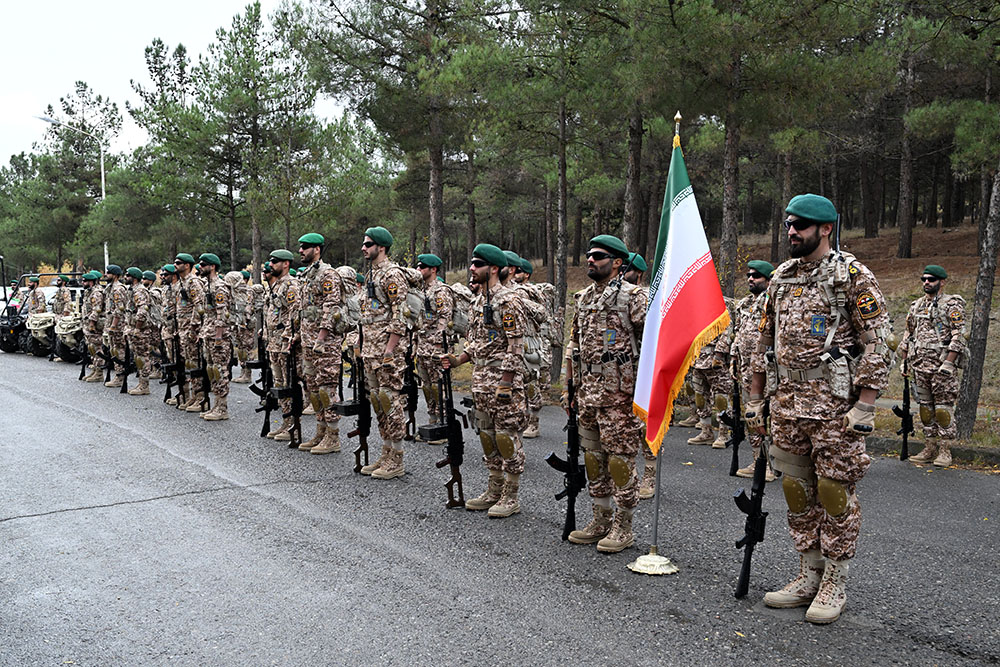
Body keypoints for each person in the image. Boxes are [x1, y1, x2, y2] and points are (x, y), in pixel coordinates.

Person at [747, 194, 891, 625]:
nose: (792, 231)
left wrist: (865, 406)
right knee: (796, 491)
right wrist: (756, 399)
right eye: (790, 224)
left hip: (834, 408)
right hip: (788, 404)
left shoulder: (852, 276)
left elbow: (878, 343)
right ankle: (810, 572)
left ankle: (836, 580)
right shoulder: (781, 278)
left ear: (826, 229)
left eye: (802, 225)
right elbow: (762, 343)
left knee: (834, 493)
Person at [563, 235, 646, 551]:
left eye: (598, 255)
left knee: (620, 461)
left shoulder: (633, 298)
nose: (590, 260)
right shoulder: (583, 299)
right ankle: (601, 519)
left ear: (617, 263)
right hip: (587, 393)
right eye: (588, 255)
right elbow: (574, 344)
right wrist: (568, 386)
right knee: (594, 459)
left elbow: (653, 344)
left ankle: (623, 527)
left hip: (620, 396)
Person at [442, 243, 529, 518]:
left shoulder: (509, 301)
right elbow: (477, 342)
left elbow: (516, 344)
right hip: (480, 380)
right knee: (487, 436)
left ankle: (511, 495)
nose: (471, 268)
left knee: (506, 437)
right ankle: (494, 489)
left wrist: (506, 381)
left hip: (503, 382)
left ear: (493, 269)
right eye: (472, 263)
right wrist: (459, 360)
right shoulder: (478, 301)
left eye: (477, 264)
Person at [899, 265, 967, 467]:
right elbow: (908, 335)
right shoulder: (916, 306)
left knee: (943, 410)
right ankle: (929, 447)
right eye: (924, 279)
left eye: (931, 279)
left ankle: (945, 450)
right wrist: (905, 361)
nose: (926, 282)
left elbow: (959, 336)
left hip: (941, 367)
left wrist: (949, 363)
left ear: (942, 282)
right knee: (925, 409)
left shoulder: (952, 305)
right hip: (920, 365)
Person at [357, 226, 410, 479]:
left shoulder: (392, 275)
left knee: (391, 402)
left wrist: (390, 350)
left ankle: (397, 459)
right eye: (364, 244)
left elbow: (400, 316)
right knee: (378, 403)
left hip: (388, 353)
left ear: (381, 247)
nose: (364, 248)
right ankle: (386, 451)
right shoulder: (371, 275)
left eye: (368, 244)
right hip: (371, 350)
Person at [295, 233, 345, 454]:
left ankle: (333, 437)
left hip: (324, 343)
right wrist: (298, 335)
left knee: (326, 388)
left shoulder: (328, 275)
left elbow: (331, 308)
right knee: (313, 389)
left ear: (317, 249)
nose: (301, 251)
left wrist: (322, 337)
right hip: (308, 341)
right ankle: (320, 430)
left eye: (305, 247)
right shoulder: (307, 275)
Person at [730, 260, 777, 481]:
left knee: (772, 418)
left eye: (757, 276)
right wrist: (733, 357)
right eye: (749, 275)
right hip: (747, 371)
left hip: (768, 371)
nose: (751, 279)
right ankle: (759, 461)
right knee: (753, 418)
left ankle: (773, 464)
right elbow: (739, 334)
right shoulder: (745, 304)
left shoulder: (773, 303)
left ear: (768, 280)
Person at [413, 253, 453, 432]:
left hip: (436, 346)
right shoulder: (421, 291)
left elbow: (445, 317)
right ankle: (432, 419)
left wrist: (438, 344)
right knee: (427, 386)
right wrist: (414, 343)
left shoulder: (441, 291)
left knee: (439, 386)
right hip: (422, 344)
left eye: (422, 267)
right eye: (418, 267)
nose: (418, 270)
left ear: (433, 269)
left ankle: (443, 423)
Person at [686, 302, 734, 448]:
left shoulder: (721, 304)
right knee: (700, 397)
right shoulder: (694, 304)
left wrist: (719, 354)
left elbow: (727, 330)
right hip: (697, 358)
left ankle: (724, 433)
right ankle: (706, 432)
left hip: (714, 359)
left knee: (721, 398)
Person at [264, 250, 299, 438]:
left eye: (275, 261)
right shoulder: (276, 285)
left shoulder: (291, 285)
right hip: (273, 342)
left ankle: (292, 423)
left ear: (286, 264)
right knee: (279, 383)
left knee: (288, 383)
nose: (271, 264)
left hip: (284, 343)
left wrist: (288, 336)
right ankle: (286, 421)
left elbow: (295, 313)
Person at [198, 254, 233, 420]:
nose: (200, 267)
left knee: (220, 371)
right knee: (211, 370)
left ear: (212, 267)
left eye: (203, 264)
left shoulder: (219, 287)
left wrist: (219, 337)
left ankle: (222, 408)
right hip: (208, 333)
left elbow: (222, 314)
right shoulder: (208, 286)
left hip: (218, 336)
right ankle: (215, 405)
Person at [174, 253, 207, 410]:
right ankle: (193, 396)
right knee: (188, 363)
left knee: (194, 363)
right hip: (183, 329)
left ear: (187, 265)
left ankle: (200, 397)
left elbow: (198, 306)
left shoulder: (193, 282)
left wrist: (194, 328)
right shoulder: (182, 283)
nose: (175, 265)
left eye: (178, 263)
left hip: (190, 330)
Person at [124, 267, 152, 396]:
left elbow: (142, 311)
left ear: (134, 277)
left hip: (140, 330)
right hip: (133, 328)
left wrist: (137, 328)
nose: (125, 277)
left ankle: (144, 385)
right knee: (138, 357)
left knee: (143, 357)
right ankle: (141, 383)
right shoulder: (132, 290)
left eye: (128, 275)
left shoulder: (139, 291)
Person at [102, 265, 129, 388]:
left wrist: (113, 325)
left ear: (115, 275)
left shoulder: (118, 289)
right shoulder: (110, 288)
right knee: (114, 350)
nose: (106, 275)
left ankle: (120, 376)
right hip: (112, 324)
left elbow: (119, 309)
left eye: (108, 273)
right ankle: (118, 375)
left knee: (119, 350)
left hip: (118, 325)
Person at [80, 271, 106, 382]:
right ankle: (95, 369)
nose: (82, 282)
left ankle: (99, 372)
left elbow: (97, 309)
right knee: (91, 348)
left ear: (91, 282)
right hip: (87, 324)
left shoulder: (96, 293)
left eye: (84, 281)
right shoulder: (89, 292)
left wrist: (91, 323)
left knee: (97, 347)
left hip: (95, 325)